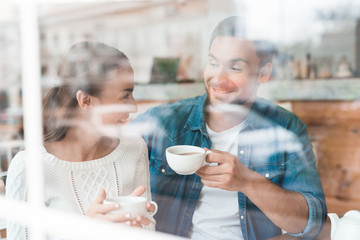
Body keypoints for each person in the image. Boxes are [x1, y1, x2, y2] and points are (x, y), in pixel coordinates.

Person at [130, 16, 327, 240]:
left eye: (235, 67)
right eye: (213, 63)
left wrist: (247, 181)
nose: (218, 78)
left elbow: (313, 224)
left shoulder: (286, 128)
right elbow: (105, 155)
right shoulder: (163, 122)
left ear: (263, 73)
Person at [6, 41, 156, 239]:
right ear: (85, 100)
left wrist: (139, 228)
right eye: (125, 96)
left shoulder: (134, 148)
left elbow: (148, 225)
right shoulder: (29, 168)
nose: (134, 107)